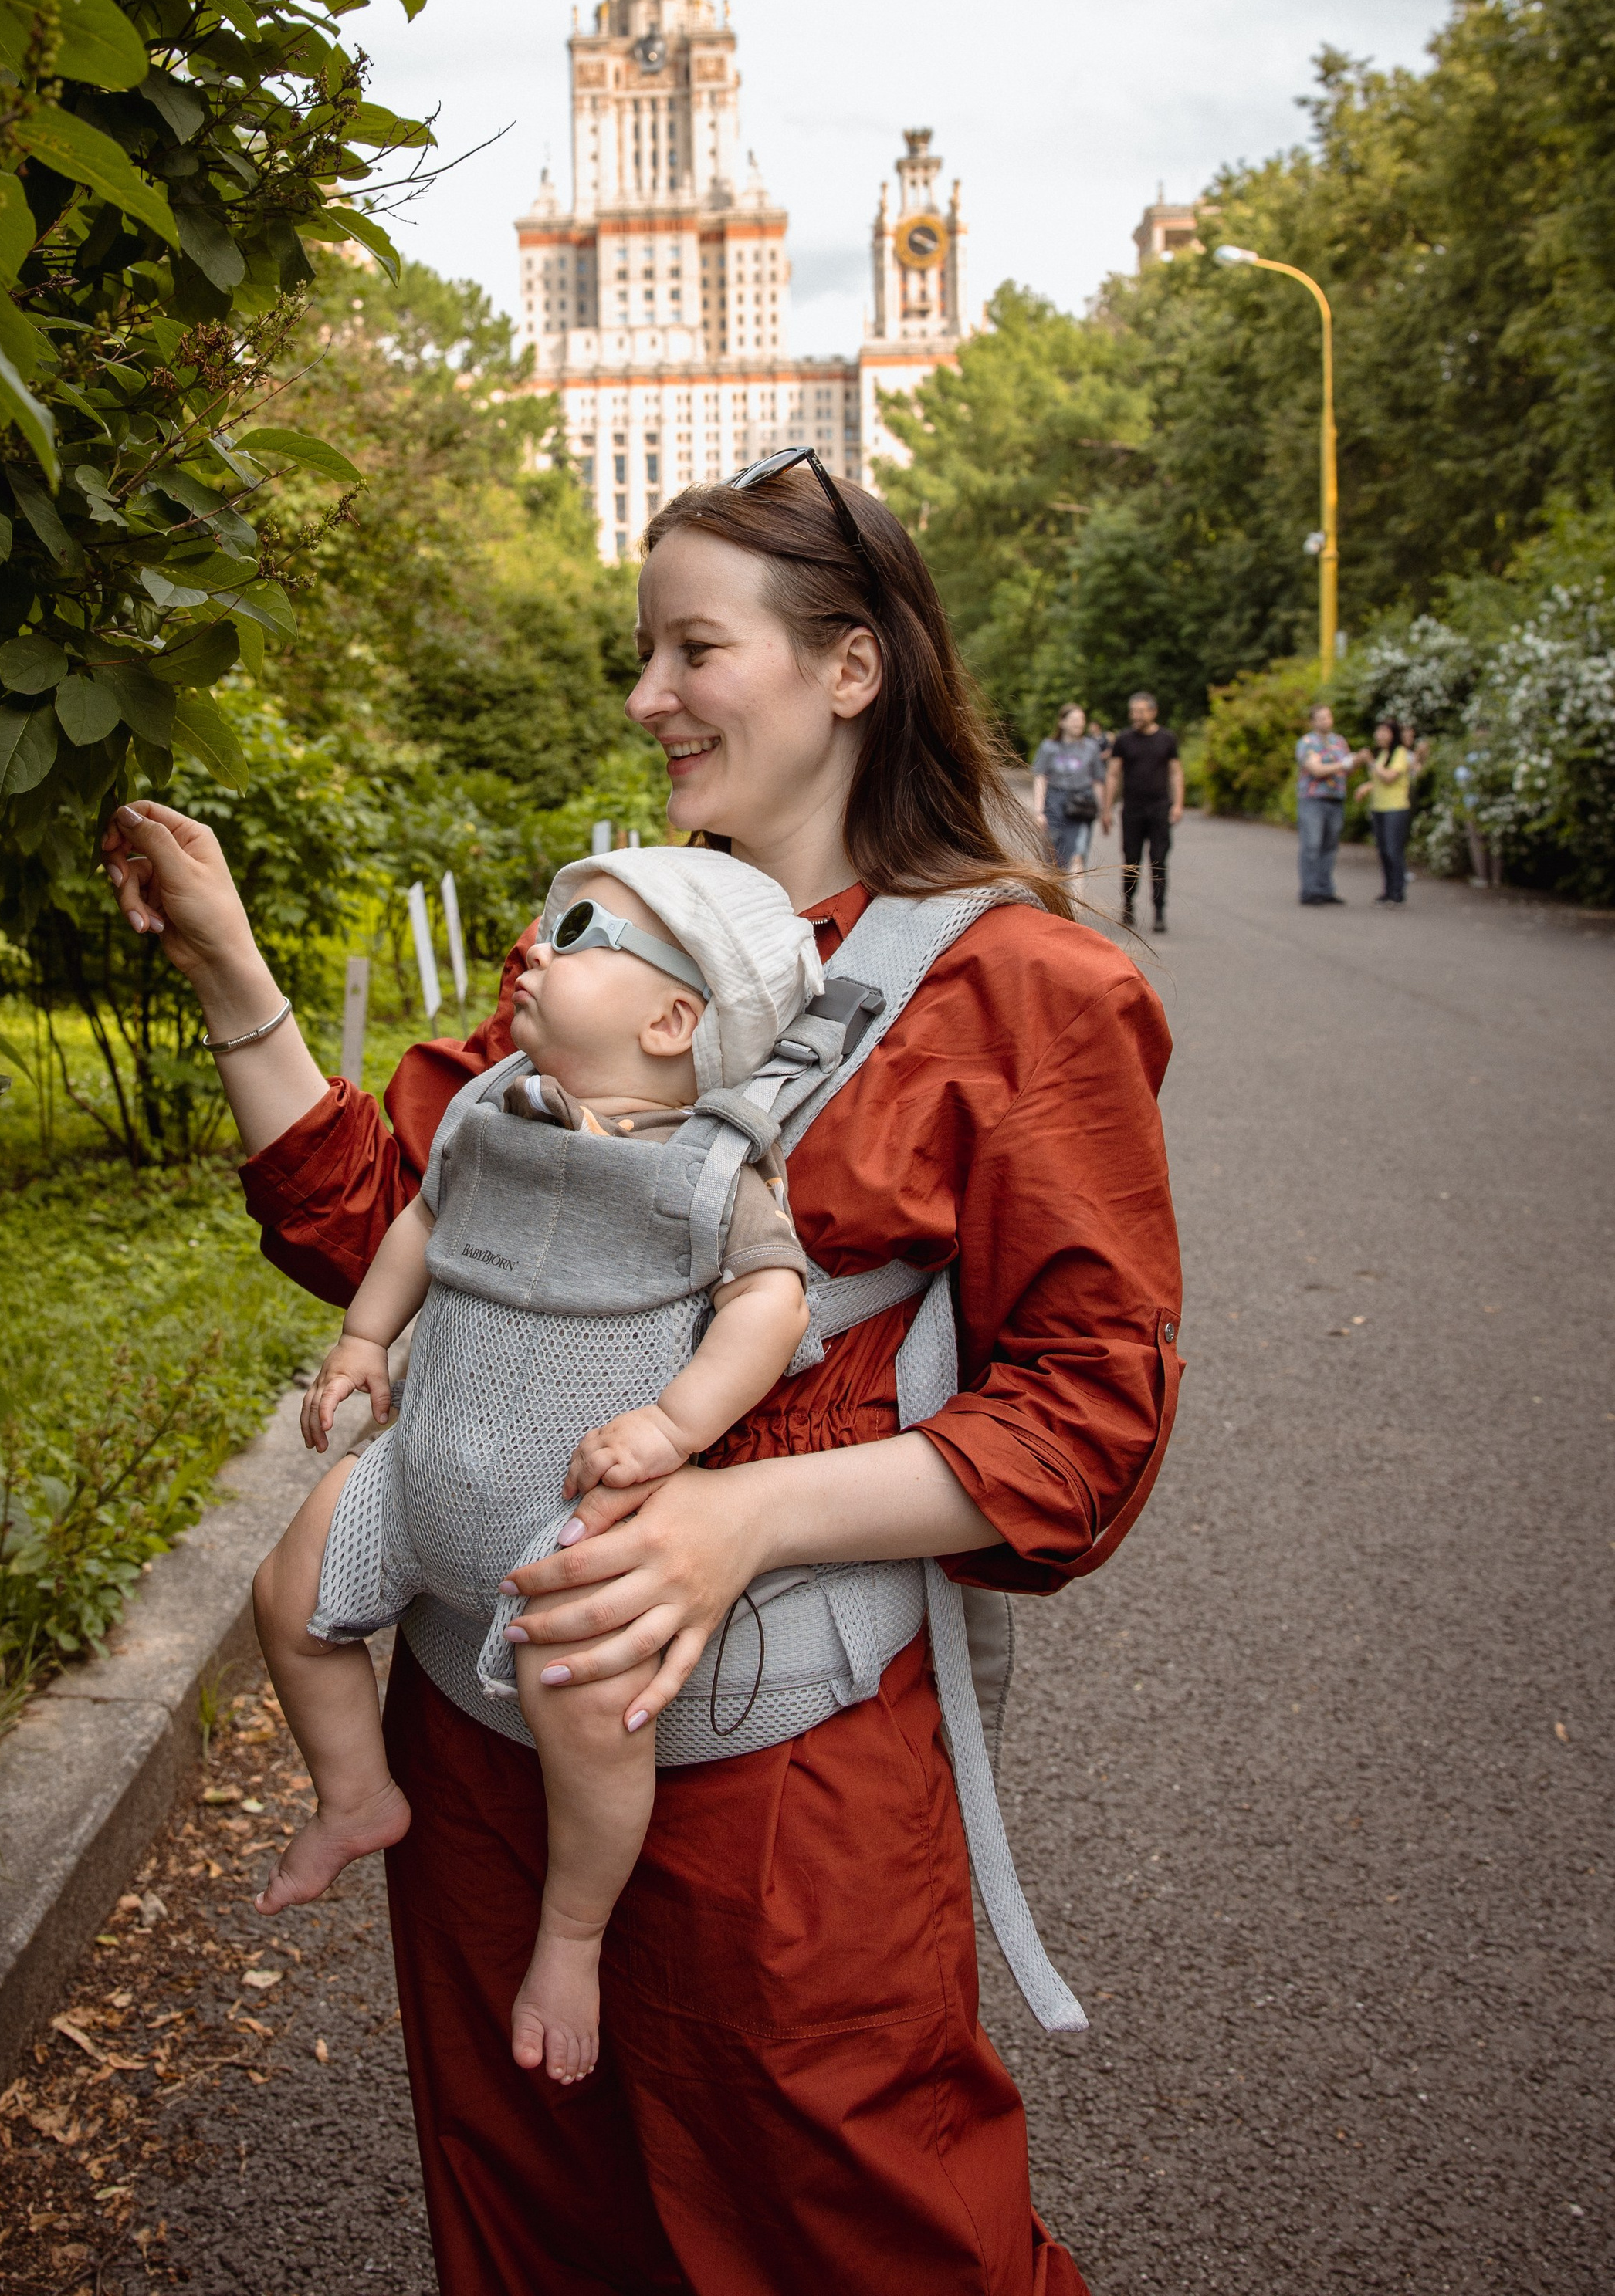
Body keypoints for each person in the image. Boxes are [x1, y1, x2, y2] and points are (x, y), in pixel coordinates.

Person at [98, 454, 1183, 2296]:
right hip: (475, 1733)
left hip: (771, 1799)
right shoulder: (598, 941)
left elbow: (1085, 1422)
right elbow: (380, 1197)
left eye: (692, 647)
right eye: (636, 650)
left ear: (850, 668)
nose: (643, 696)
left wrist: (730, 1517)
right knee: (530, 2220)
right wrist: (228, 969)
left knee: (860, 2227)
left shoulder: (1022, 992)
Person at [251, 852, 815, 2089]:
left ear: (675, 1020)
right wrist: (362, 1336)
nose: (539, 951)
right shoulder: (489, 1108)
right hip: (415, 1478)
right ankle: (356, 1794)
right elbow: (422, 1223)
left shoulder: (714, 1167)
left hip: (563, 1529)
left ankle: (571, 1935)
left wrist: (671, 1429)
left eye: (583, 934)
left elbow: (770, 1306)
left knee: (590, 1714)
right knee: (287, 1597)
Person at [1102, 689, 1184, 932]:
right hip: (1133, 809)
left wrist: (1178, 804)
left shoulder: (1167, 739)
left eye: (1140, 712)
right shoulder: (1124, 740)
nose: (1135, 716)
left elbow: (1176, 772)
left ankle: (1159, 911)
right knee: (1131, 860)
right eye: (1133, 712)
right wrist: (1106, 809)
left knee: (1159, 860)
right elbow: (1114, 774)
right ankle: (1128, 905)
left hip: (1160, 808)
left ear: (1153, 712)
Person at [1030, 702, 1104, 887]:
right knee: (1054, 857)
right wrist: (1039, 811)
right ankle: (1055, 899)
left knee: (1078, 855)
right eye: (1074, 720)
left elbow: (1097, 780)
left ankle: (1074, 907)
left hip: (1081, 805)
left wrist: (1103, 811)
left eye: (1082, 720)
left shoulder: (1091, 747)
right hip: (1054, 804)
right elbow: (1040, 777)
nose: (1079, 724)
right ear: (1062, 722)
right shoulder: (1049, 747)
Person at [1355, 717, 1427, 904]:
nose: (1379, 735)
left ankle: (1398, 891)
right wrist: (1366, 786)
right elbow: (1379, 778)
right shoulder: (1382, 754)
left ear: (1393, 734)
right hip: (1379, 807)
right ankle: (1388, 890)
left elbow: (1389, 777)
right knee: (1383, 850)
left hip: (1395, 808)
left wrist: (1370, 762)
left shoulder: (1400, 753)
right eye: (1378, 731)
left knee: (1393, 849)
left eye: (1384, 732)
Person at [1295, 702, 1358, 906]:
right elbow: (1316, 770)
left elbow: (1349, 770)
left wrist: (1357, 761)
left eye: (1329, 717)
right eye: (1322, 718)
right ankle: (1310, 890)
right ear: (1313, 721)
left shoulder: (1339, 742)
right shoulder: (1307, 743)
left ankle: (1325, 889)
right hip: (1313, 800)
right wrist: (1342, 764)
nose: (1327, 721)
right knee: (1312, 845)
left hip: (1335, 799)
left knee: (1330, 847)